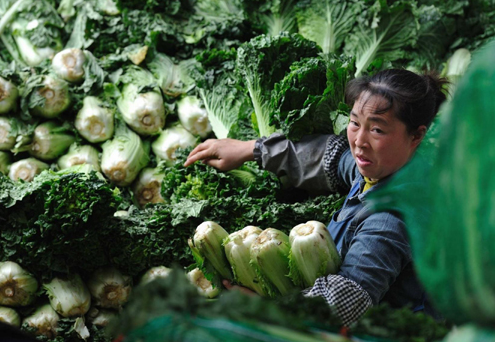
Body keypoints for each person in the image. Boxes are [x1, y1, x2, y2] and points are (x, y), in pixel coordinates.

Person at [184, 69, 448, 325]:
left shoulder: (392, 218)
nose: (359, 141)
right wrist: (250, 150)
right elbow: (329, 159)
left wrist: (264, 309)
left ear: (416, 135)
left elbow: (343, 305)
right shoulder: (384, 168)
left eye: (377, 130)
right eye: (355, 123)